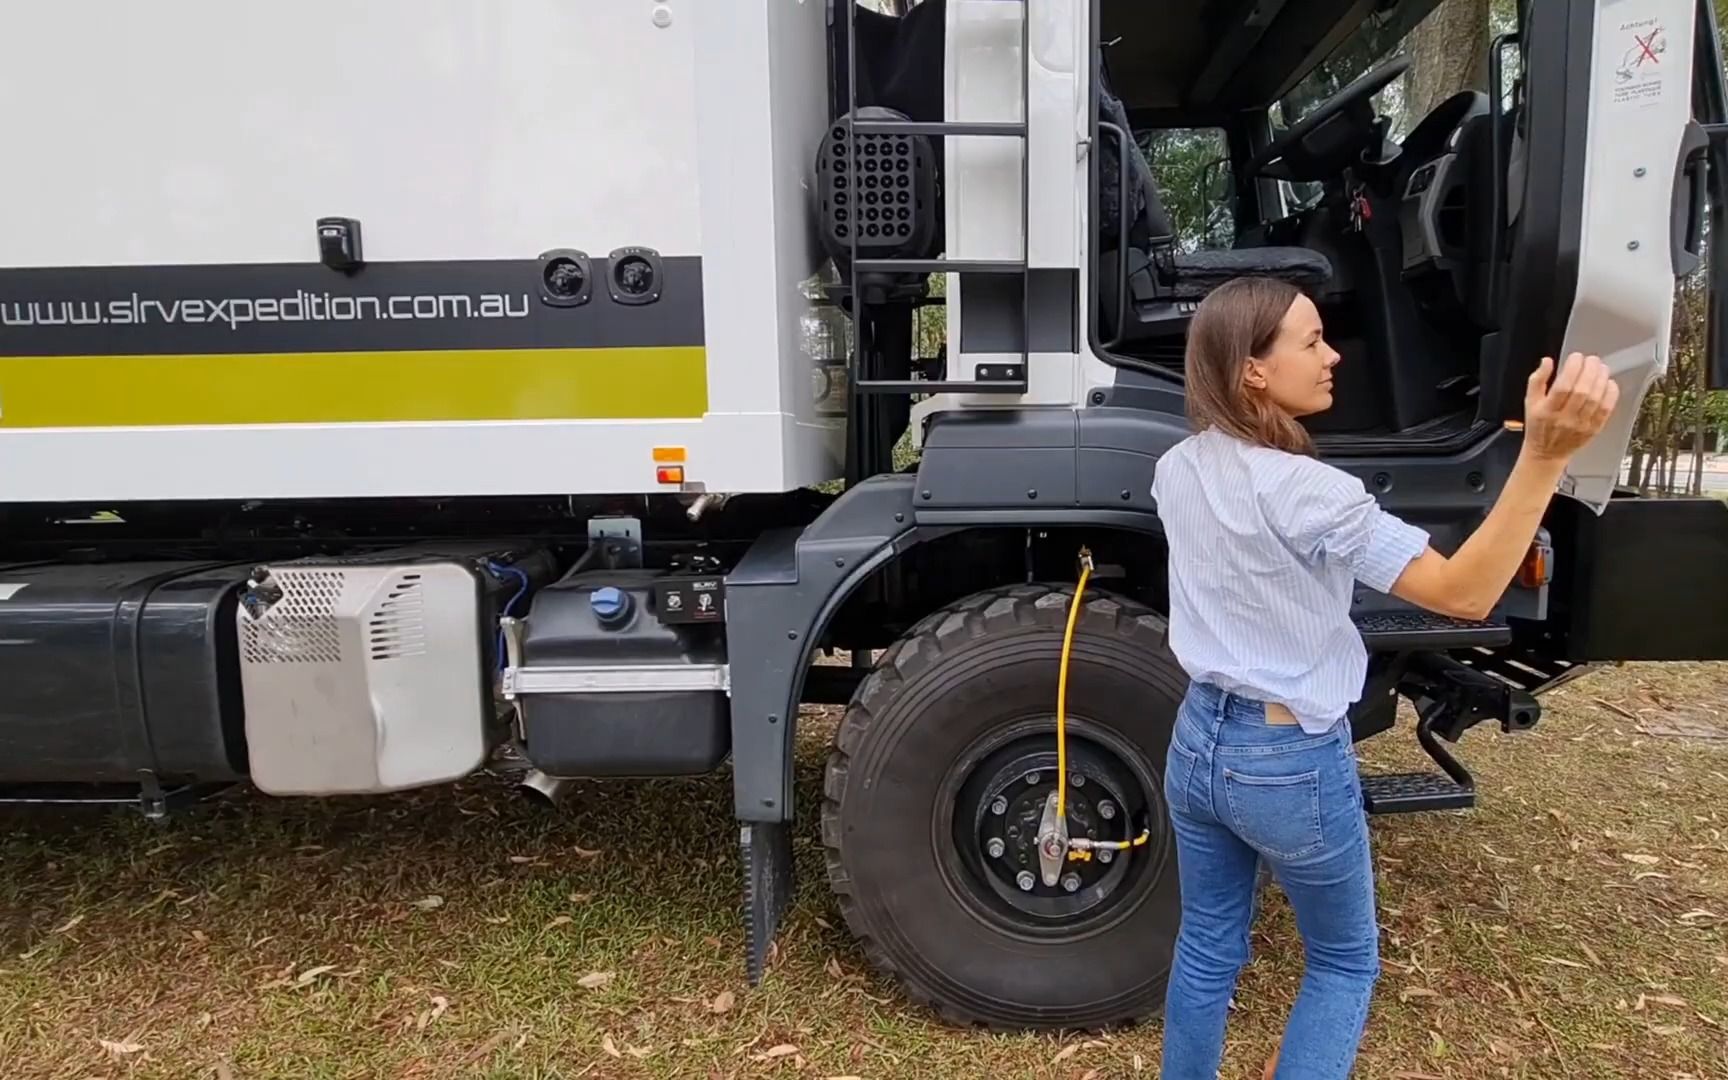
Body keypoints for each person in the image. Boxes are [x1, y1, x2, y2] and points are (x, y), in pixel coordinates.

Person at [1151, 276, 1619, 1079]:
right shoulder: (1314, 493)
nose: (1333, 355)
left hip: (1196, 740)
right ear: (1253, 372)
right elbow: (1466, 595)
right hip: (1286, 754)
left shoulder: (1178, 467)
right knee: (1341, 962)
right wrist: (1543, 457)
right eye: (1310, 341)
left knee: (1206, 948)